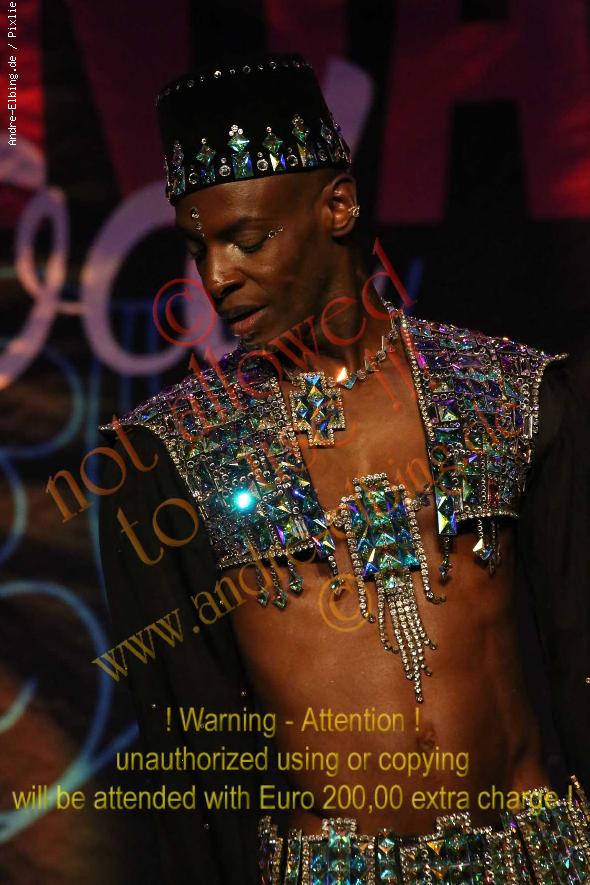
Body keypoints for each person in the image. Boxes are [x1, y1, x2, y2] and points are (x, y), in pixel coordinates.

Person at [98, 52, 590, 884]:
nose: (216, 276)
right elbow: (194, 755)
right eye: (198, 245)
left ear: (338, 205)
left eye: (246, 238)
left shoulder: (510, 394)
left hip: (533, 862)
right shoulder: (168, 453)